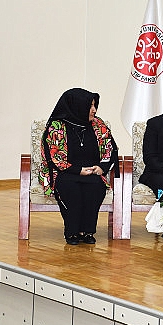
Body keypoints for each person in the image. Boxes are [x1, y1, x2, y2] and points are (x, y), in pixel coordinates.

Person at [39, 88, 119, 245]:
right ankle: (72, 232)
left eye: (95, 106)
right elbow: (54, 156)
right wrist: (77, 170)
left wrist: (102, 167)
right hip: (65, 172)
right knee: (72, 190)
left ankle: (88, 231)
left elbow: (110, 148)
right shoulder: (57, 126)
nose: (94, 110)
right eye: (90, 106)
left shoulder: (98, 124)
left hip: (93, 172)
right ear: (78, 106)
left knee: (95, 188)